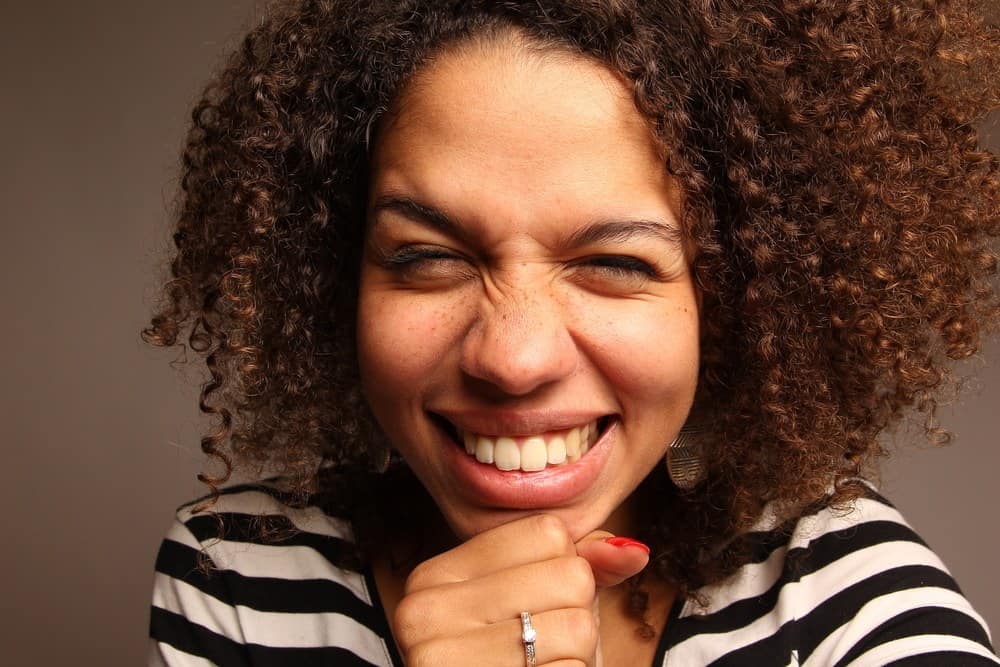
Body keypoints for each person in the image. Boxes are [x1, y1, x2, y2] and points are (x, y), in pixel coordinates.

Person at [144, 1, 1000, 665]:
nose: (513, 361)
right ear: (337, 275)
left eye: (617, 264)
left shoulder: (853, 612)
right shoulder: (243, 576)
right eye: (429, 256)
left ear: (732, 299)